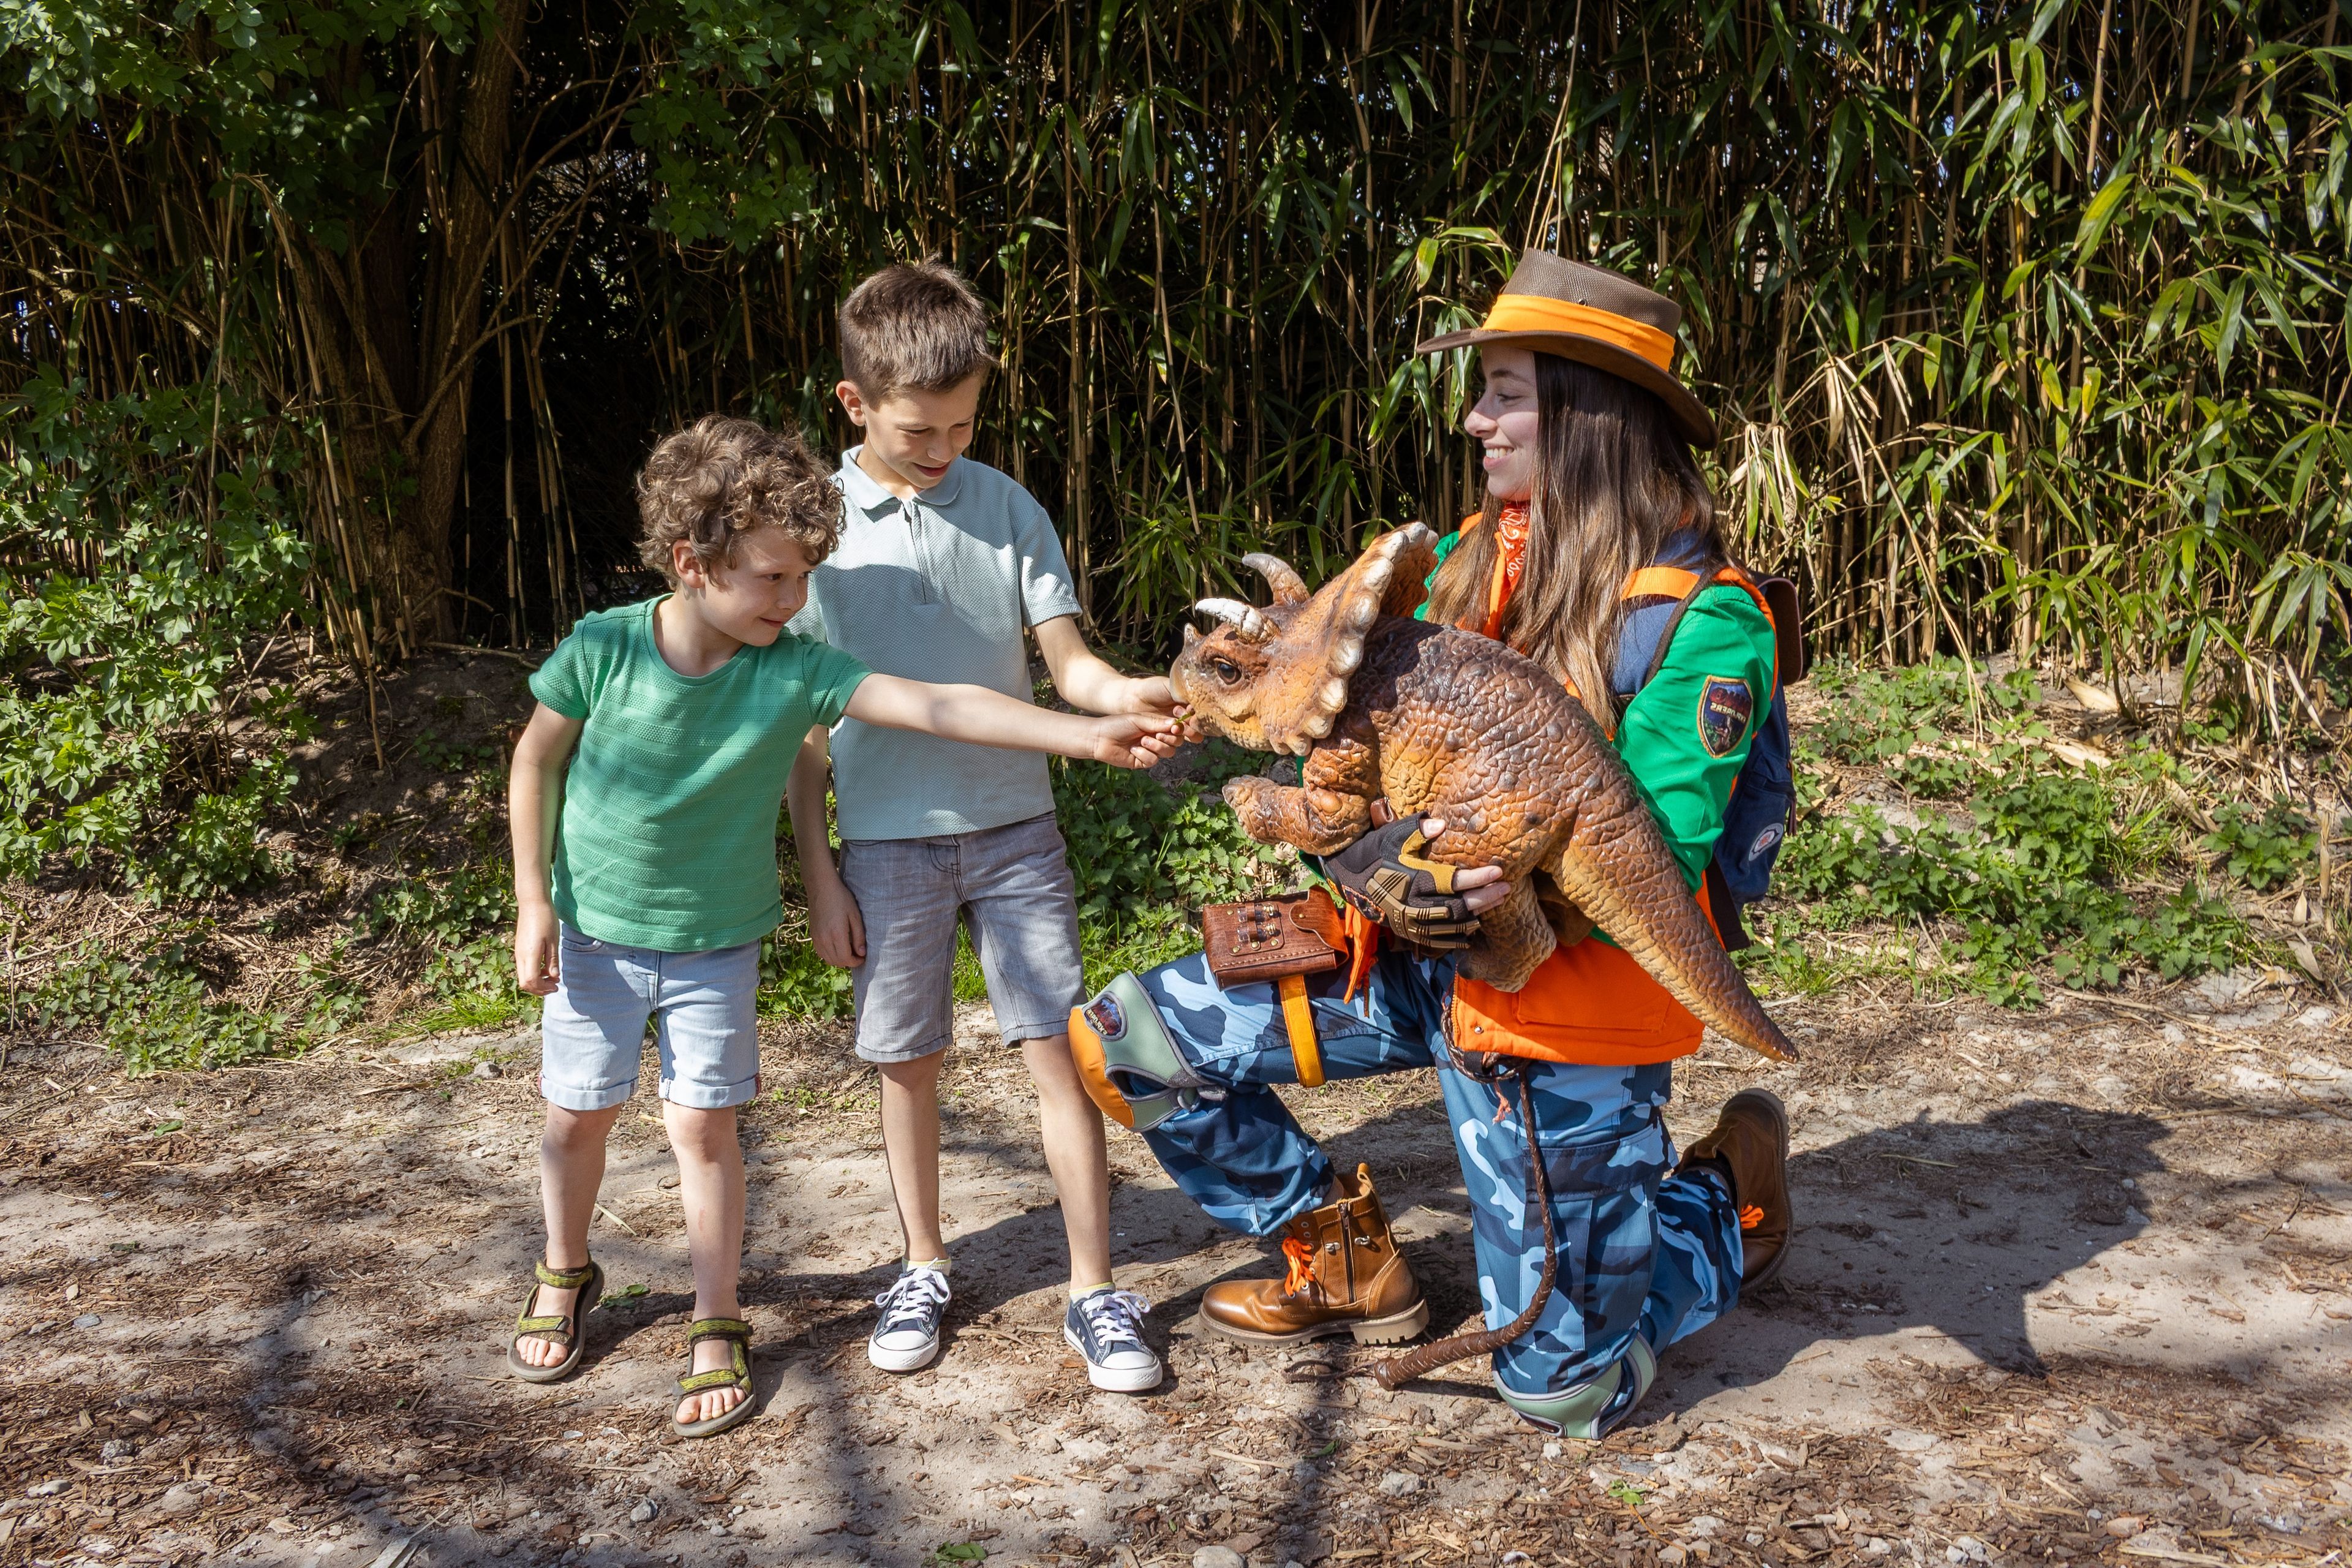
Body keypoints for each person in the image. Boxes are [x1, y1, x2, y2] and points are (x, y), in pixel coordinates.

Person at [1066, 251, 1798, 1437]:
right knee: (1124, 1042)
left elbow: (1650, 843)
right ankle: (1337, 1250)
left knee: (1566, 1390)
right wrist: (1352, 832)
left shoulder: (1702, 617)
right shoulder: (1467, 553)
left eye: (1505, 390)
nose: (1477, 416)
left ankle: (1722, 1201)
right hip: (1407, 955)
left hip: (1559, 1004)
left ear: (1588, 414)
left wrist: (1391, 847)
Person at [505, 415, 1178, 1438]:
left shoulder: (792, 670)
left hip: (716, 944)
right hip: (594, 934)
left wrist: (1086, 735)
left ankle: (715, 1317)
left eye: (804, 577)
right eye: (775, 579)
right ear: (693, 564)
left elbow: (941, 707)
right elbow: (535, 761)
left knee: (701, 1127)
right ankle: (565, 1269)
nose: (796, 600)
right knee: (575, 1117)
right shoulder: (603, 649)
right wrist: (534, 900)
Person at [783, 261, 1177, 1392]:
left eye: (963, 423)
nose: (944, 445)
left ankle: (1095, 1288)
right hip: (888, 843)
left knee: (1061, 1052)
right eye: (920, 428)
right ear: (853, 404)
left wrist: (1126, 694)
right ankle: (920, 1263)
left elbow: (1073, 666)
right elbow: (805, 730)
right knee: (906, 1062)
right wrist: (820, 869)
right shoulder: (811, 531)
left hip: (1017, 832)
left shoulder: (1009, 508)